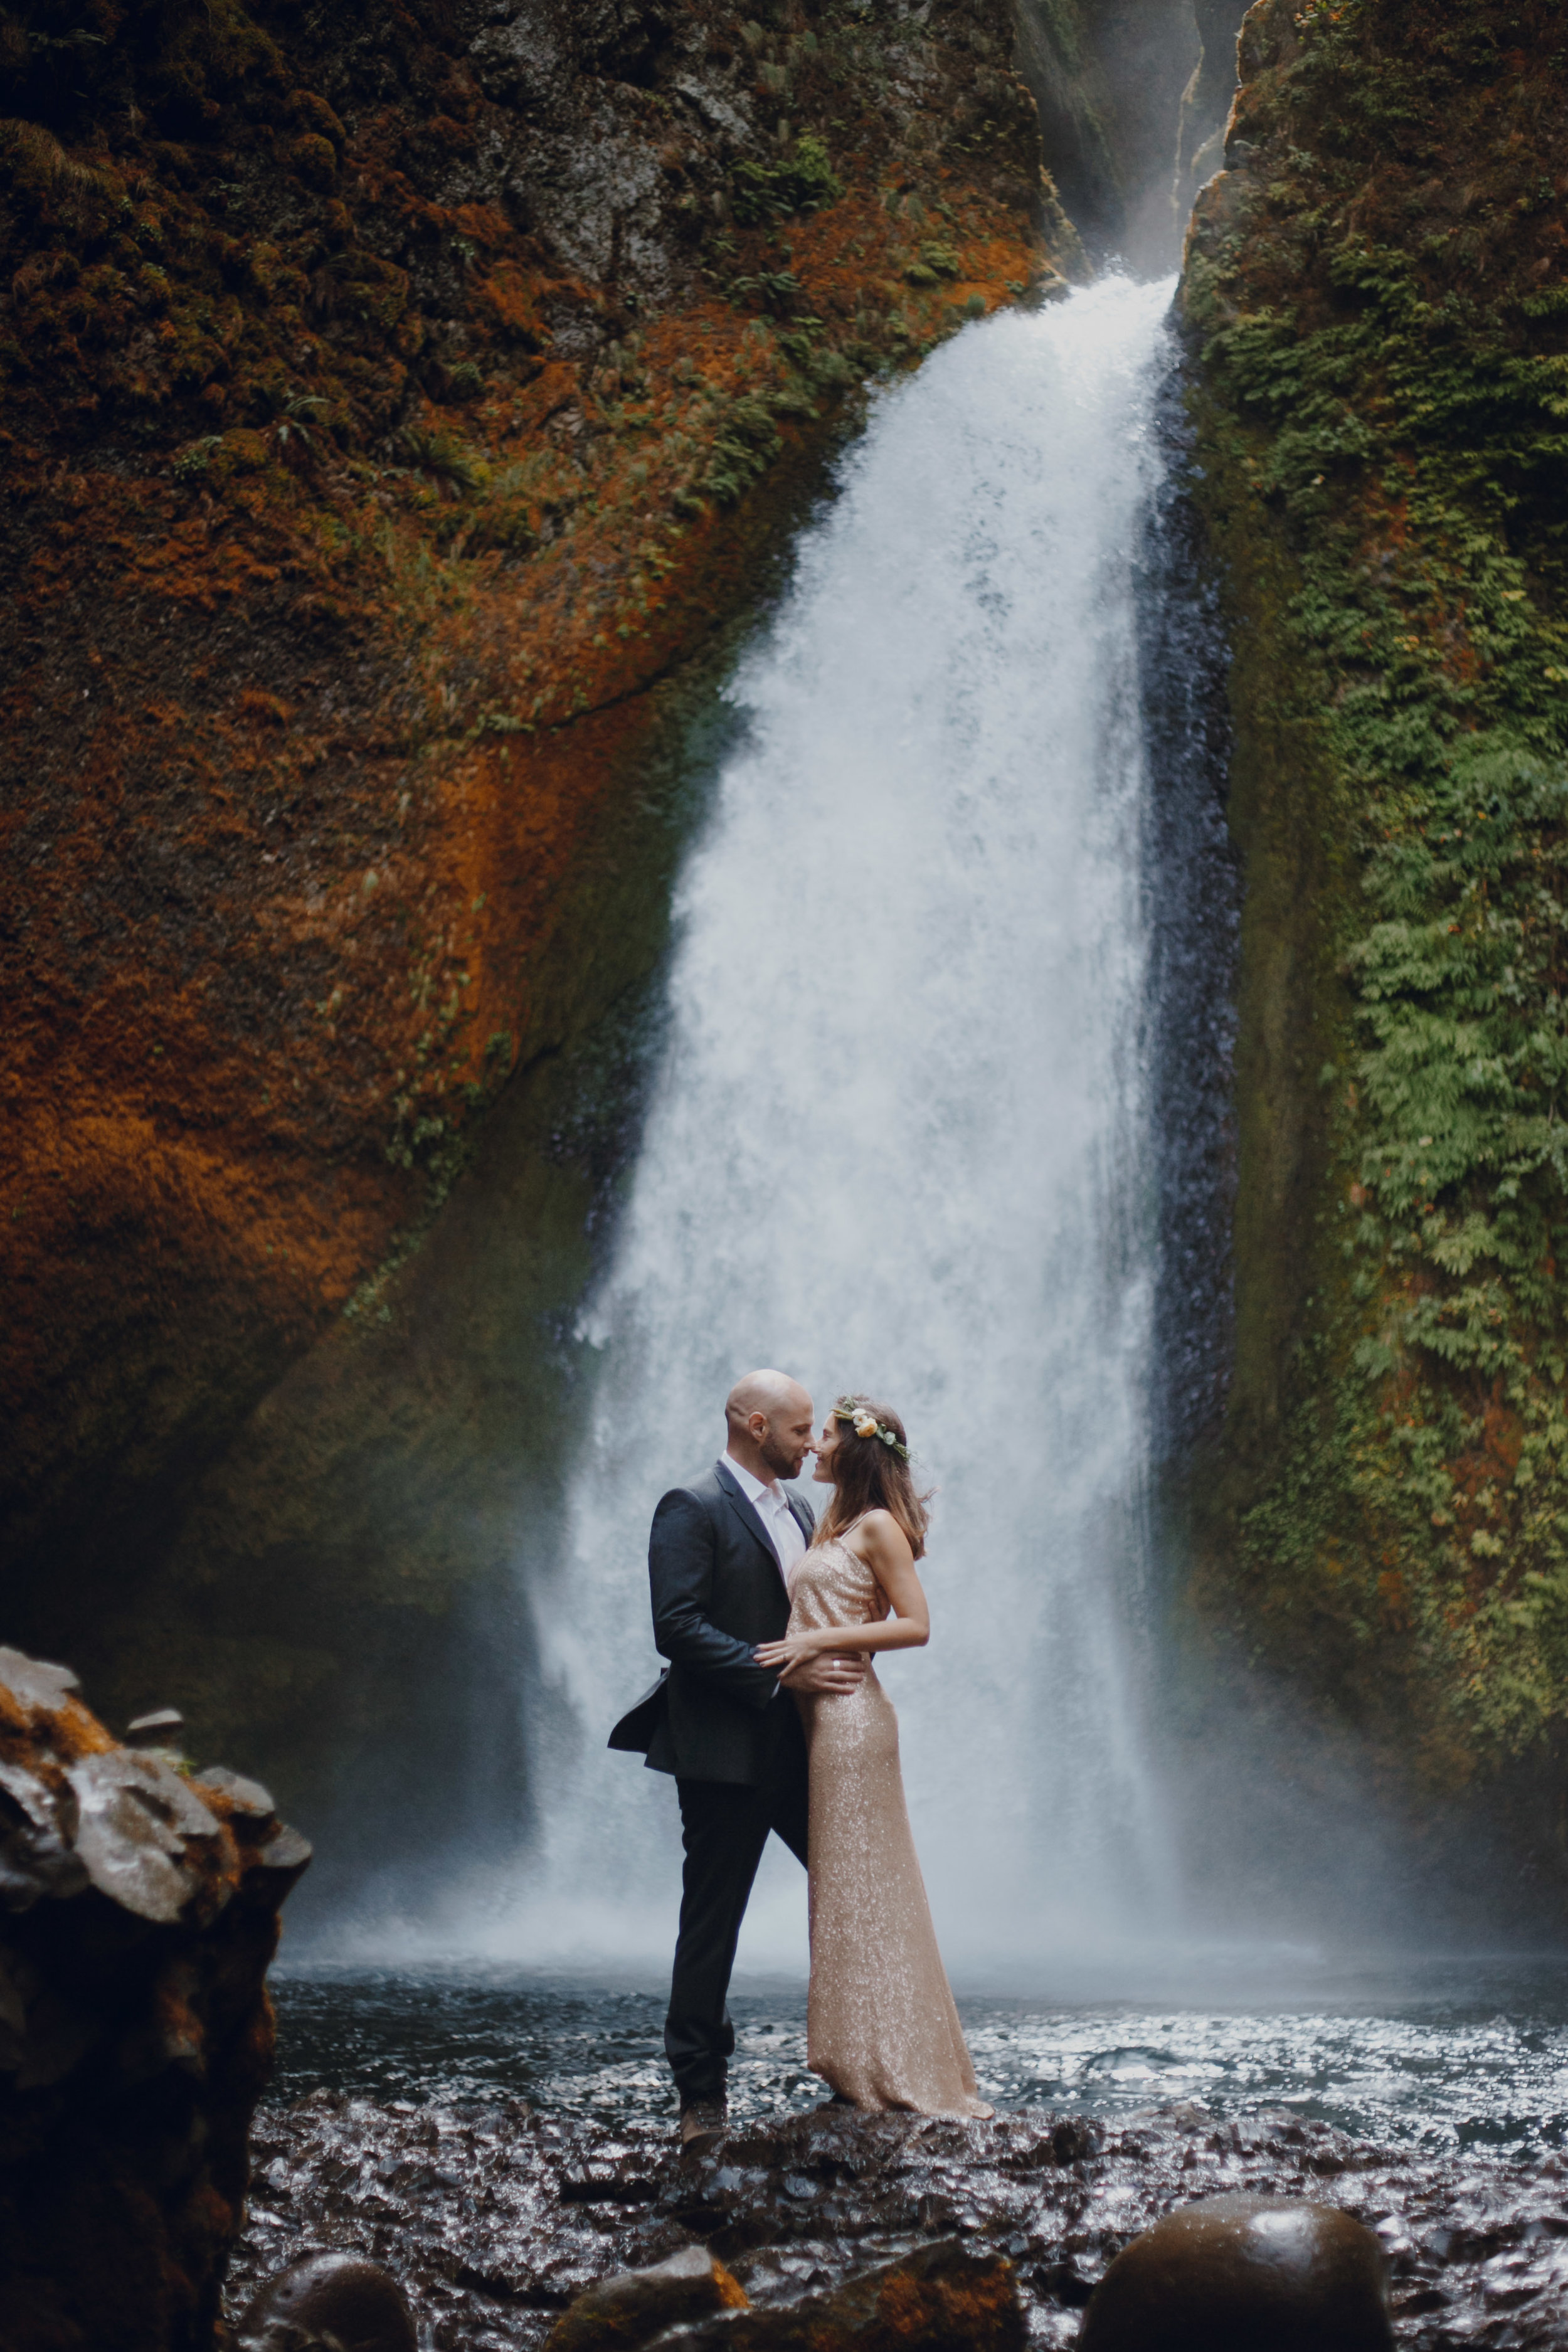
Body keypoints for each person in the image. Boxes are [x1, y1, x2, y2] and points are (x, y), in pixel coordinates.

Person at [608, 1370, 868, 2150]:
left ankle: (863, 2061)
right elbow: (677, 1626)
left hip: (802, 1745)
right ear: (757, 1426)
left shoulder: (799, 1507)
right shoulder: (691, 1506)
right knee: (712, 1919)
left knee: (856, 1889)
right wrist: (782, 1671)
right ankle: (700, 2094)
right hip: (722, 1750)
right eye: (799, 1431)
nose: (811, 1443)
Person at [753, 1394, 992, 2117]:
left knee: (868, 1886)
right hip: (819, 1719)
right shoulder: (832, 1523)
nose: (813, 1445)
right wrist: (796, 1661)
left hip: (854, 1721)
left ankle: (895, 2066)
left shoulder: (879, 1526)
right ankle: (860, 2056)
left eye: (823, 1433)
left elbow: (916, 1625)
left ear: (856, 1447)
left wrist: (816, 1644)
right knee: (847, 1889)